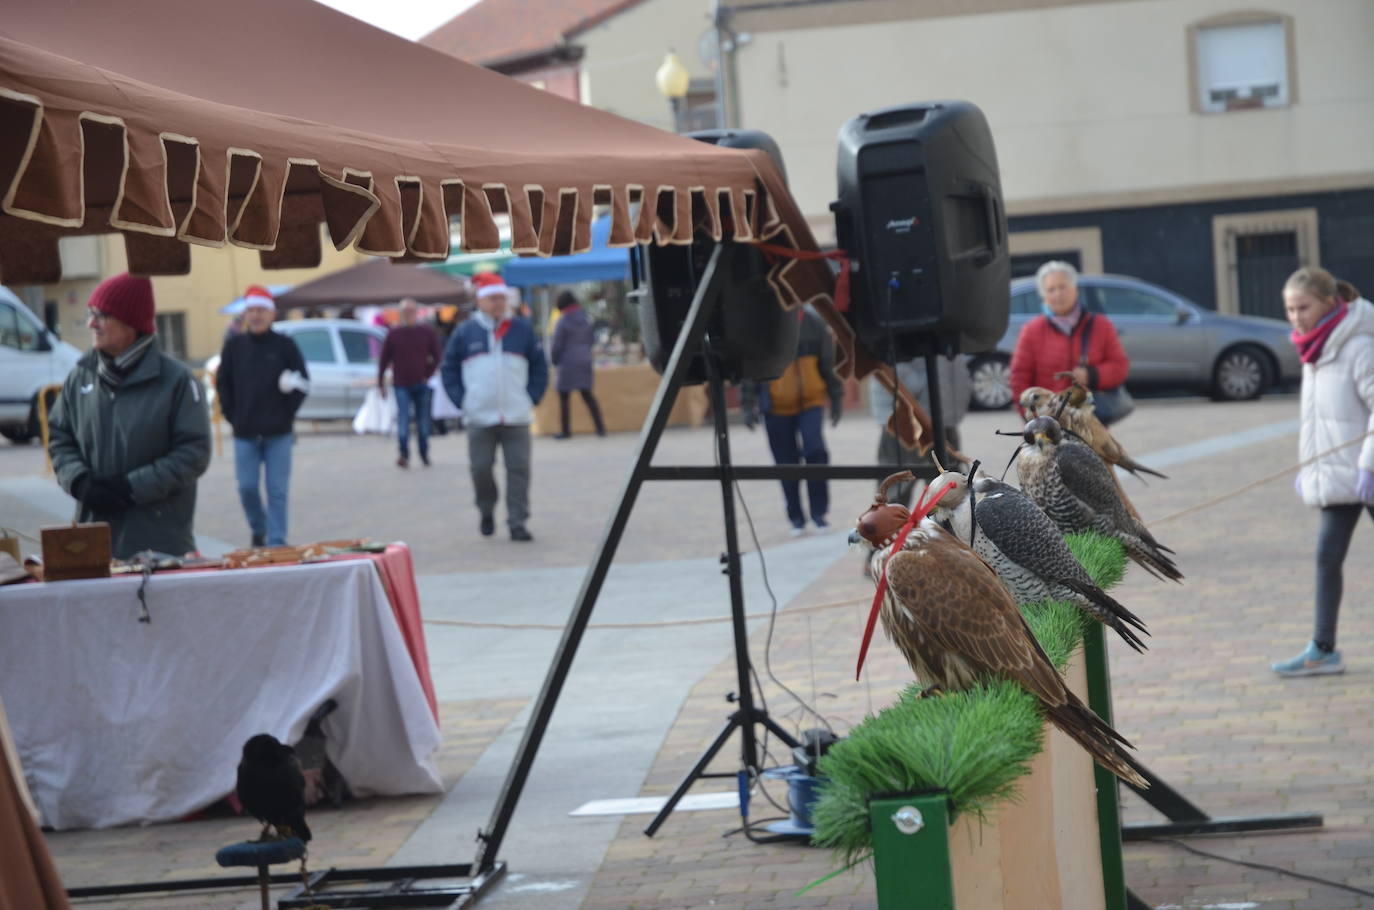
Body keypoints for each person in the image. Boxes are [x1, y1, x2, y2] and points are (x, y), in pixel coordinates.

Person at [48, 273, 211, 558]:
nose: (91, 324)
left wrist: (131, 488)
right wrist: (79, 481)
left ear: (131, 323)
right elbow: (60, 438)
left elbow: (193, 453)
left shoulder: (177, 381)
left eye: (102, 316)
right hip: (93, 541)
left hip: (159, 542)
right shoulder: (80, 377)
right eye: (90, 314)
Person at [1272, 268, 1374, 677]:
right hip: (1341, 476)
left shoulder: (1359, 344)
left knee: (1326, 557)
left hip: (1366, 471)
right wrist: (1310, 468)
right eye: (1289, 309)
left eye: (1303, 307)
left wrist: (1367, 465)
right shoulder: (1315, 347)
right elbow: (1323, 421)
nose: (1296, 317)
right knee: (1326, 558)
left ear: (1330, 303)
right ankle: (1323, 649)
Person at [441, 273, 548, 542]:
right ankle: (486, 509)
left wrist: (531, 397)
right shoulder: (466, 332)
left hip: (516, 415)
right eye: (492, 298)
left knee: (519, 470)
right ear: (480, 301)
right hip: (479, 416)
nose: (498, 303)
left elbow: (539, 367)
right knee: (480, 468)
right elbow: (449, 369)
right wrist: (462, 401)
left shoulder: (522, 329)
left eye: (501, 297)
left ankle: (517, 521)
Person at [215, 286, 309, 547]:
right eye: (252, 310)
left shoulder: (285, 345)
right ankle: (259, 528)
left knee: (277, 491)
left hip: (278, 434)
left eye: (261, 310)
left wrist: (286, 412)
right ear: (245, 313)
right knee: (246, 488)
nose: (256, 315)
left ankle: (276, 541)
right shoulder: (234, 346)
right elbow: (223, 383)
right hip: (245, 433)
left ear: (272, 313)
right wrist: (232, 416)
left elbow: (303, 383)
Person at [741, 306, 844, 535]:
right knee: (786, 462)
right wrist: (747, 404)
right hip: (775, 406)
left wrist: (836, 398)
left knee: (815, 452)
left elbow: (828, 363)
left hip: (811, 402)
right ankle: (795, 517)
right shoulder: (762, 326)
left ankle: (819, 514)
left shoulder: (814, 324)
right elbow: (751, 367)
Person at [1010, 260, 1130, 424]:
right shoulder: (1032, 331)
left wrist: (1092, 375)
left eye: (1062, 287)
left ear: (1075, 289)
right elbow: (1019, 379)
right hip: (1049, 425)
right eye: (1051, 289)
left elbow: (1119, 367)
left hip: (1091, 423)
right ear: (1043, 296)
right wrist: (1031, 418)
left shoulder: (1101, 326)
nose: (1057, 294)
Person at [869, 354, 972, 506]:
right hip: (905, 413)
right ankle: (895, 528)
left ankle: (943, 528)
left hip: (943, 410)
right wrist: (913, 382)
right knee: (895, 489)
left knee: (950, 489)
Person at [378, 298, 443, 467]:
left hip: (421, 384)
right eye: (405, 312)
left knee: (423, 422)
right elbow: (383, 360)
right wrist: (380, 383)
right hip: (401, 384)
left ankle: (423, 452)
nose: (409, 315)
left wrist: (427, 374)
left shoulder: (426, 332)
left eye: (411, 311)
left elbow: (437, 357)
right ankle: (404, 453)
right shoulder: (394, 334)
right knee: (403, 420)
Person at [549, 290, 605, 439]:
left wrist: (554, 360)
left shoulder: (562, 321)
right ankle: (600, 428)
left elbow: (557, 345)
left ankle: (566, 431)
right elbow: (592, 339)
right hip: (584, 360)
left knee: (564, 398)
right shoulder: (585, 319)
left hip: (567, 362)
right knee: (588, 396)